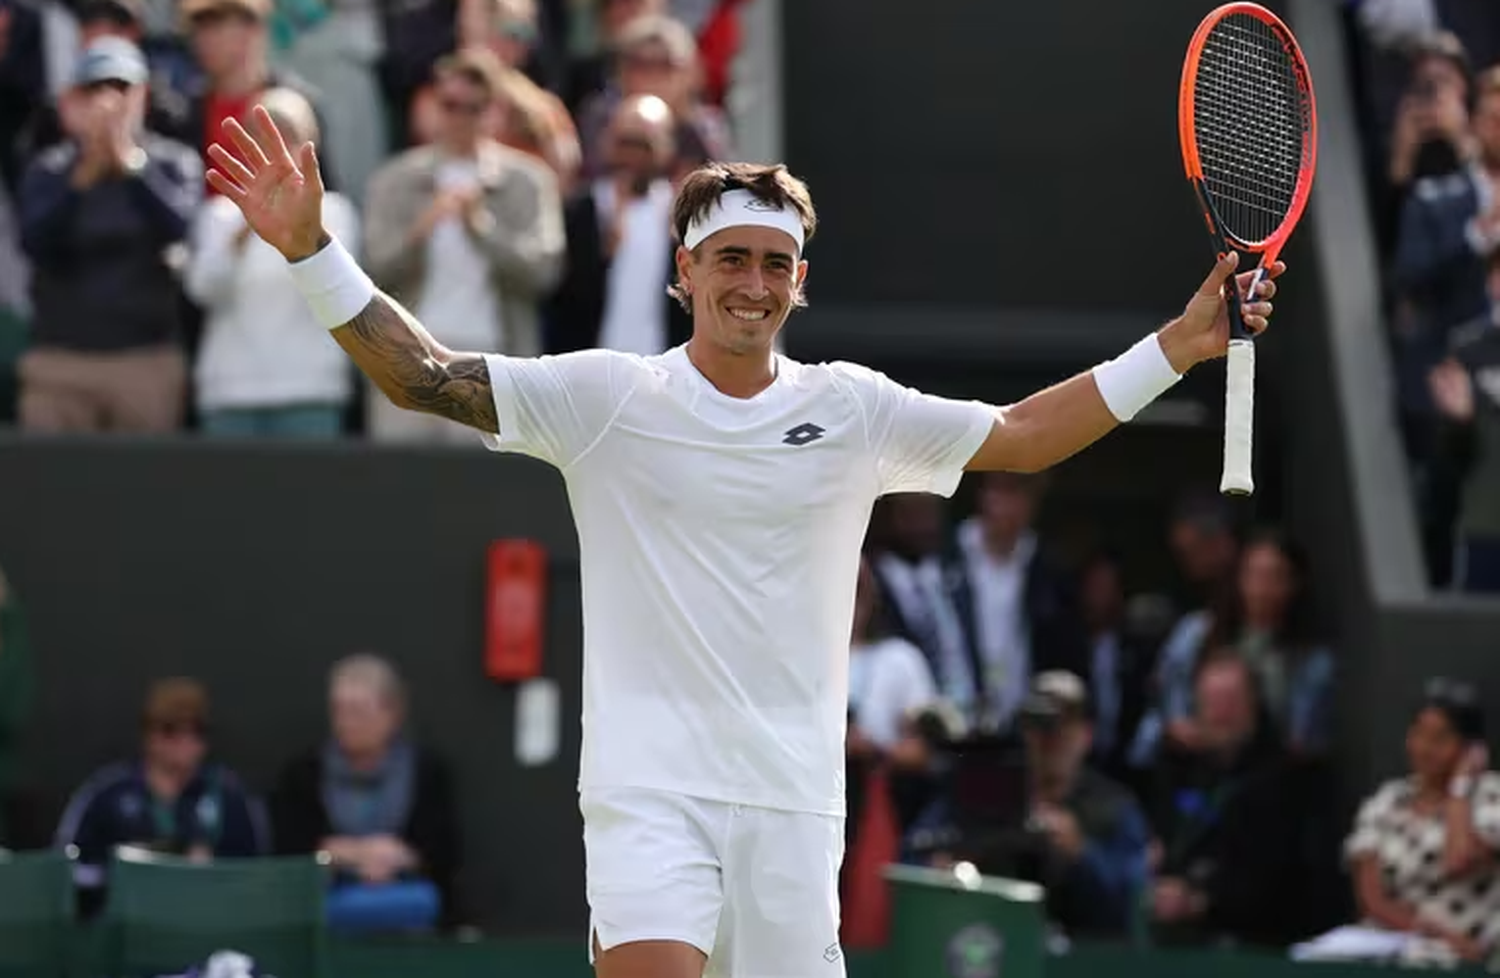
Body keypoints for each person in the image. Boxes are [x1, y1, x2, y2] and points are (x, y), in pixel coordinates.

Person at [204, 106, 1281, 978]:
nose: (752, 283)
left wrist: (1182, 345)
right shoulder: (606, 397)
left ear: (799, 281)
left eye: (774, 262)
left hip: (794, 807)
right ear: (684, 272)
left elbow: (1022, 437)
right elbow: (425, 376)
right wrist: (313, 254)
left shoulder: (855, 409)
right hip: (649, 793)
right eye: (730, 259)